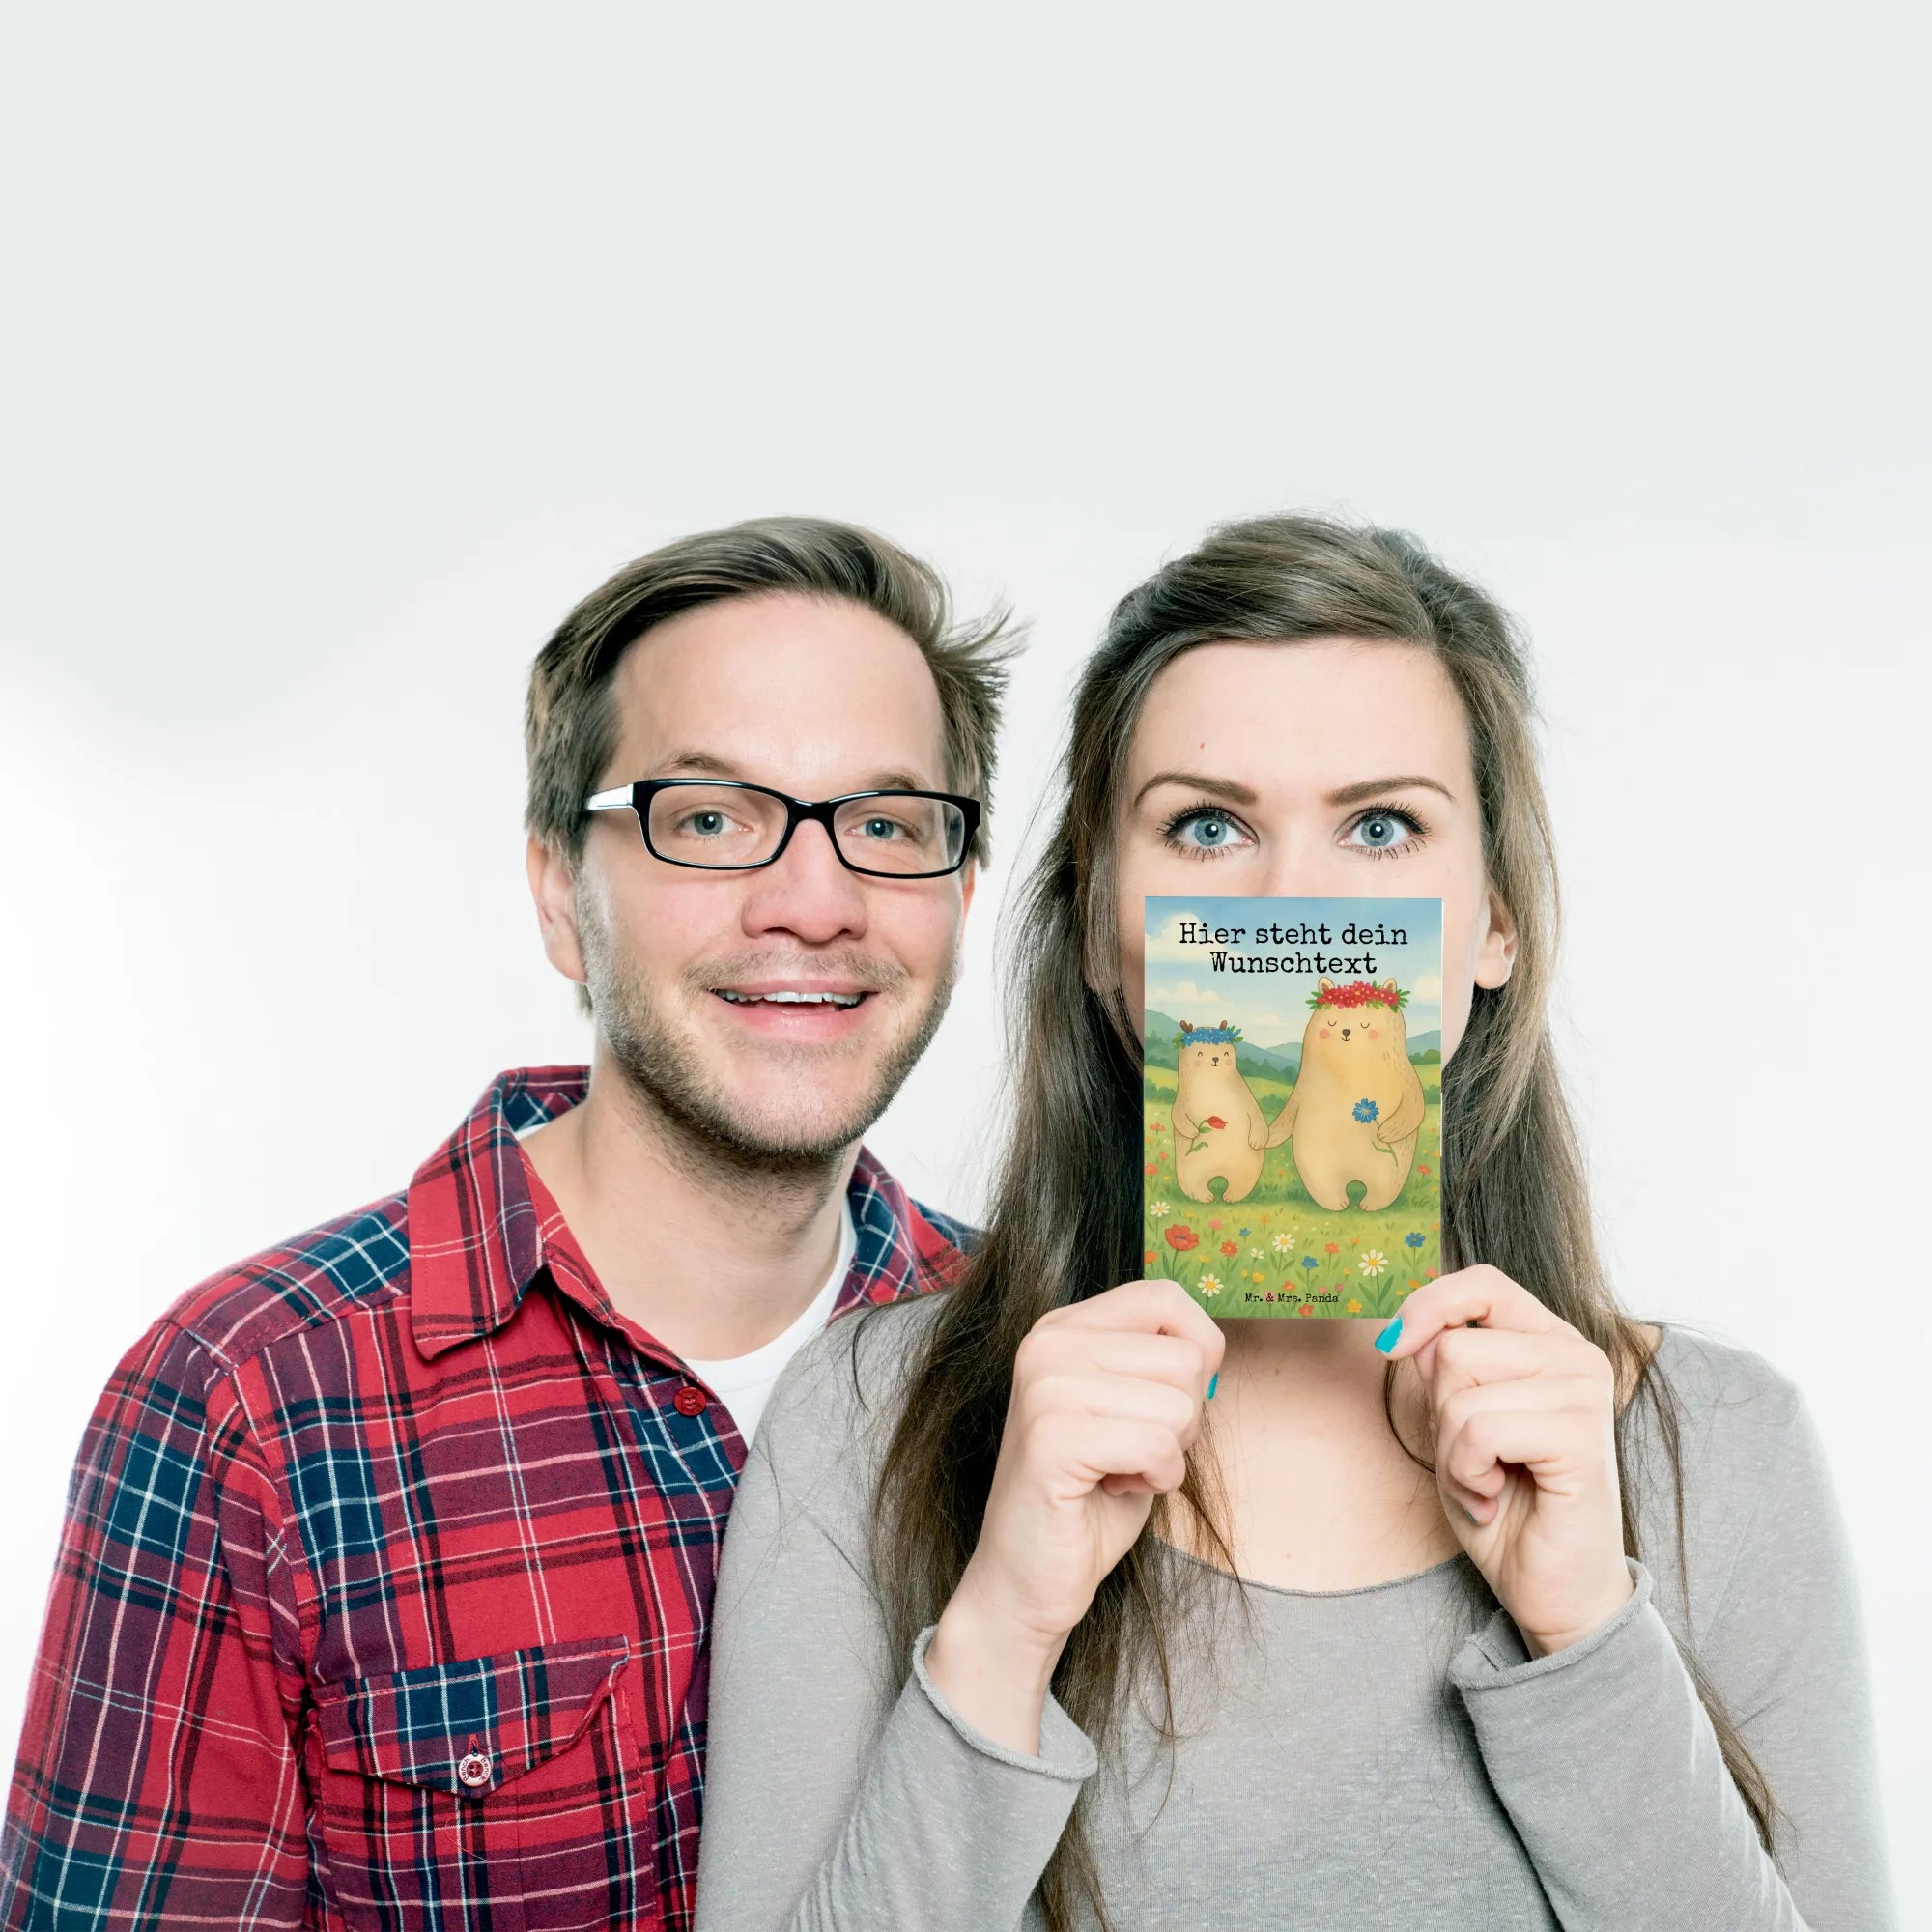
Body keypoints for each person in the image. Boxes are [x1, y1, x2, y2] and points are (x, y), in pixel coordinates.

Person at [693, 515, 1897, 1930]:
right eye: (1207, 827)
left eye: (1381, 828)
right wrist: (1003, 1625)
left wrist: (1585, 1631)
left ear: (1494, 925)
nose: (1293, 906)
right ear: (1100, 930)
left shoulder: (1722, 1449)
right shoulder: (867, 1420)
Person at [0, 517, 1016, 1930]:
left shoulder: (1032, 1349)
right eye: (710, 820)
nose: (815, 902)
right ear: (558, 894)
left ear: (960, 891)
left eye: (888, 827)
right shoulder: (247, 1404)